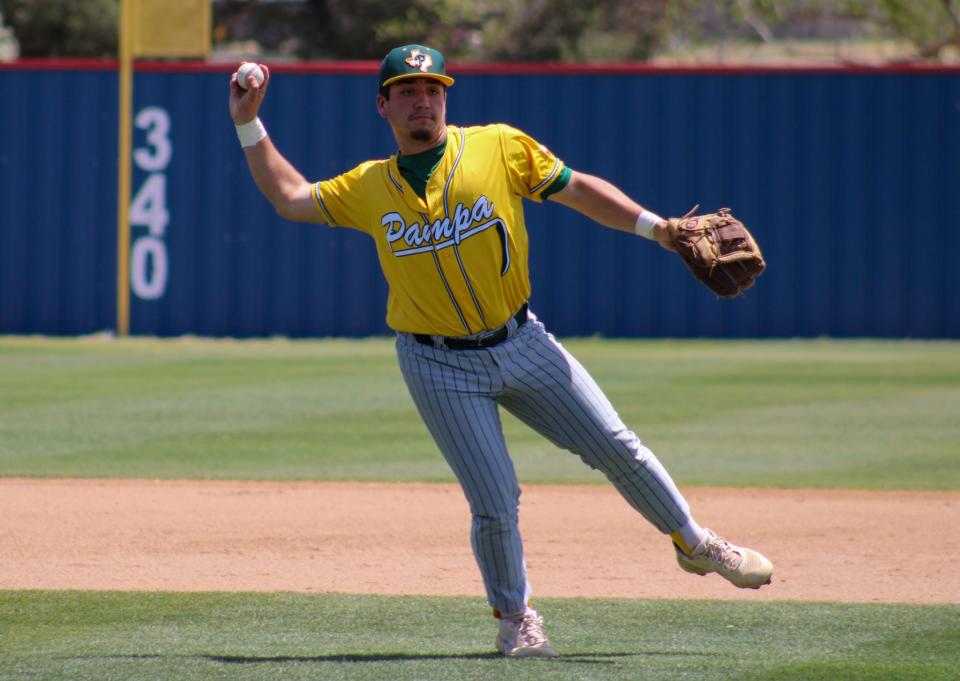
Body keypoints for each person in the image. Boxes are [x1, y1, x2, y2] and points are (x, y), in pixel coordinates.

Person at [229, 44, 773, 659]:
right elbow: (290, 197)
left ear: (446, 98)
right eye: (407, 90)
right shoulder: (369, 186)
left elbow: (578, 191)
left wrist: (659, 229)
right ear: (383, 105)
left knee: (618, 447)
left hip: (522, 340)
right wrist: (248, 121)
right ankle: (516, 618)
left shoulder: (496, 146)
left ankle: (695, 544)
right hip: (437, 364)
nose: (423, 100)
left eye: (433, 88)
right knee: (495, 502)